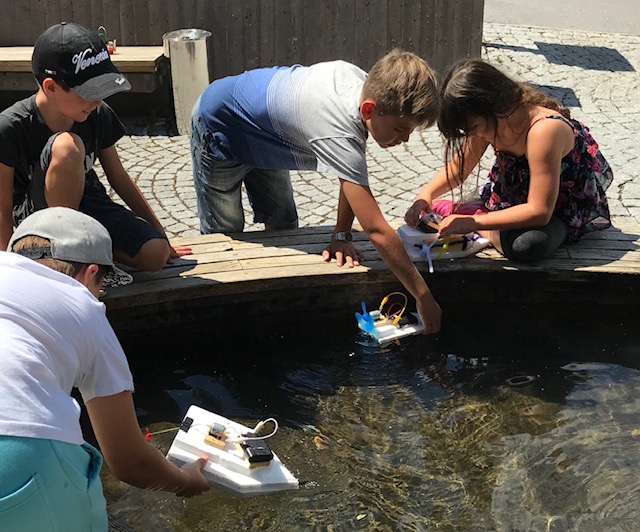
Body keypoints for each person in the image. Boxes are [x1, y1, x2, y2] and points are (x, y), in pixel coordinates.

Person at [190, 49, 442, 333]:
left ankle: (277, 313)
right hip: (219, 126)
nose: (405, 139)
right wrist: (423, 295)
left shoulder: (363, 87)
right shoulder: (337, 128)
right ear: (368, 110)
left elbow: (349, 174)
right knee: (225, 235)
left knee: (283, 222)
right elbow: (375, 229)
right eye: (400, 129)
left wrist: (341, 236)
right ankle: (219, 322)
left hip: (265, 132)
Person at [0, 207, 209, 531]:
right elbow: (129, 461)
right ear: (91, 272)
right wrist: (185, 481)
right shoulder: (83, 307)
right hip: (19, 456)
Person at [0, 22, 190, 271]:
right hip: (36, 221)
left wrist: (160, 233)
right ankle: (65, 261)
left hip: (88, 203)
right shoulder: (10, 127)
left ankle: (91, 256)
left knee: (155, 253)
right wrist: (9, 269)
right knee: (67, 147)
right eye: (89, 92)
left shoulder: (97, 113)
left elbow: (119, 178)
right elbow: (2, 210)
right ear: (51, 87)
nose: (98, 100)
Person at [405, 58, 613, 262]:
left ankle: (477, 217)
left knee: (528, 245)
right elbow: (459, 168)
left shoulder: (544, 130)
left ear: (493, 106)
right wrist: (426, 195)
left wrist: (474, 222)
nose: (474, 135)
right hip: (510, 200)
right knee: (519, 240)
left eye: (474, 128)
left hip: (557, 211)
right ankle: (478, 217)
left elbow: (540, 211)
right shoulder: (489, 121)